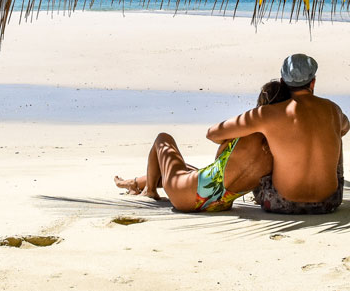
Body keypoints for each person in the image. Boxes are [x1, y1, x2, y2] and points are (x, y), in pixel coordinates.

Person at [207, 53, 349, 215]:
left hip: (281, 202)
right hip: (330, 202)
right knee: (335, 130)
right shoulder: (332, 109)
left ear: (282, 82)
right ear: (313, 82)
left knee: (265, 134)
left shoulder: (268, 114)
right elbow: (345, 128)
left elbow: (213, 134)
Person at [113, 80, 285, 212]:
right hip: (221, 204)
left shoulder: (248, 133)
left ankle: (149, 191)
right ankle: (133, 183)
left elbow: (213, 139)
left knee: (163, 139)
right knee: (186, 169)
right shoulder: (279, 148)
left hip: (186, 198)